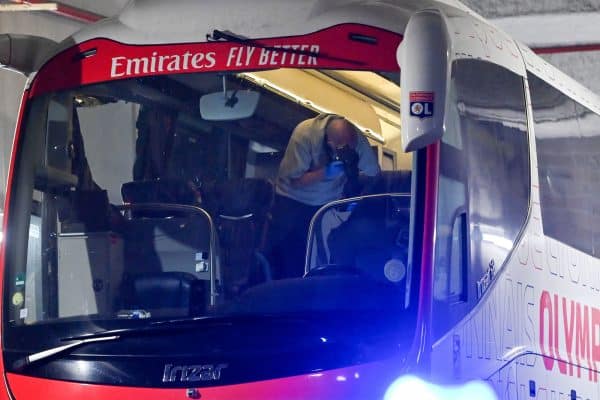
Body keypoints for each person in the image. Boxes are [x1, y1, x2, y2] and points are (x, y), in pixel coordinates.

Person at [266, 113, 380, 279]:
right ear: (329, 142)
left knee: (324, 253)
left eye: (351, 148)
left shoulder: (356, 140)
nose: (347, 152)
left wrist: (357, 198)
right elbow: (293, 181)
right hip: (292, 200)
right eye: (342, 149)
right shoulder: (304, 134)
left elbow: (374, 174)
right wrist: (324, 173)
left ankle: (319, 287)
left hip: (327, 203)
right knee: (289, 254)